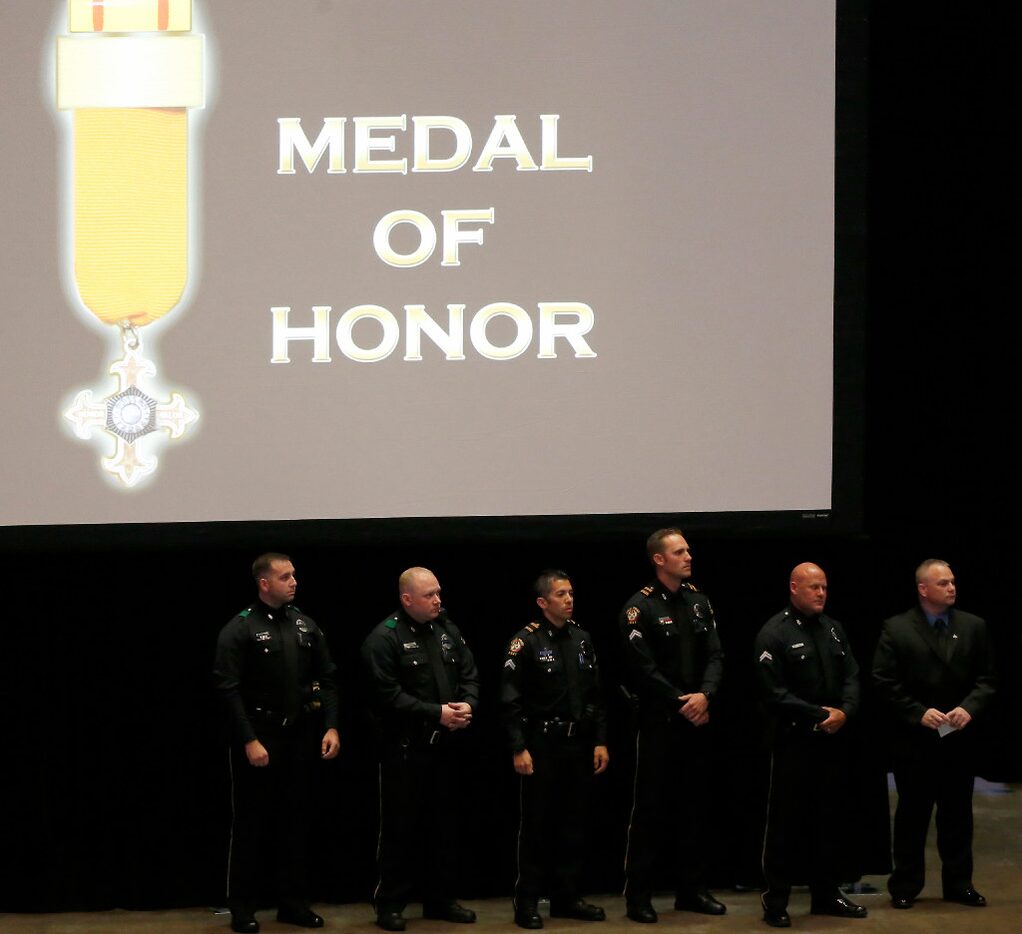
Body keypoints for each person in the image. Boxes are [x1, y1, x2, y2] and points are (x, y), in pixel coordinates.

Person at [213, 553, 340, 934]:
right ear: (264, 583)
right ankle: (242, 908)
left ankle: (293, 904)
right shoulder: (240, 628)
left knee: (295, 822)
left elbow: (329, 677)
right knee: (252, 825)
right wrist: (249, 739)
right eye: (285, 577)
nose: (294, 582)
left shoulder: (305, 624)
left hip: (299, 736)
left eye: (295, 575)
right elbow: (227, 689)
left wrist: (331, 727)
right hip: (259, 737)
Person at [361, 567, 481, 932]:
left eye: (439, 593)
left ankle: (440, 900)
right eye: (429, 595)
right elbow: (387, 696)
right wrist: (437, 713)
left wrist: (468, 704)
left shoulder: (448, 630)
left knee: (444, 828)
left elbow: (469, 673)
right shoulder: (384, 638)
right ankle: (390, 905)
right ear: (406, 599)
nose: (437, 600)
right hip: (405, 750)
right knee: (401, 829)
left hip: (445, 748)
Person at [872, 559, 995, 910]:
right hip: (916, 743)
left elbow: (987, 679)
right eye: (943, 583)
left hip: (958, 739)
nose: (952, 587)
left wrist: (970, 707)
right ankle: (906, 885)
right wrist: (917, 712)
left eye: (953, 581)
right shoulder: (897, 629)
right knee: (912, 815)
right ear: (923, 589)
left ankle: (959, 883)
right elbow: (884, 681)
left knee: (958, 816)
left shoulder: (975, 627)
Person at [619, 528, 726, 923]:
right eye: (679, 552)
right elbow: (641, 668)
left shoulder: (699, 601)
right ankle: (639, 896)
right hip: (660, 721)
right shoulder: (639, 608)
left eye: (688, 550)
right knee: (650, 811)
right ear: (658, 559)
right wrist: (682, 702)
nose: (688, 556)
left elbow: (715, 654)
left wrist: (706, 695)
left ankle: (692, 890)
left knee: (695, 807)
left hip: (697, 718)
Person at [754, 562, 867, 928]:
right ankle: (777, 901)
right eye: (814, 587)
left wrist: (845, 713)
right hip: (793, 743)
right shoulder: (775, 633)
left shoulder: (833, 630)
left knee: (828, 820)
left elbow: (851, 674)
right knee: (785, 825)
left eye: (824, 587)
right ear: (794, 587)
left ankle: (826, 894)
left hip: (831, 742)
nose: (821, 593)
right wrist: (820, 714)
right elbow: (774, 694)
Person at [501, 570, 610, 929]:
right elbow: (511, 702)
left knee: (574, 824)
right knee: (537, 827)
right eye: (561, 594)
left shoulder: (581, 638)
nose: (569, 599)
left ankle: (566, 898)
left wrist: (599, 740)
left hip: (578, 743)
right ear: (542, 602)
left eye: (571, 592)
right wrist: (519, 747)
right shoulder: (526, 642)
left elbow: (596, 695)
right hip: (542, 745)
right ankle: (527, 902)